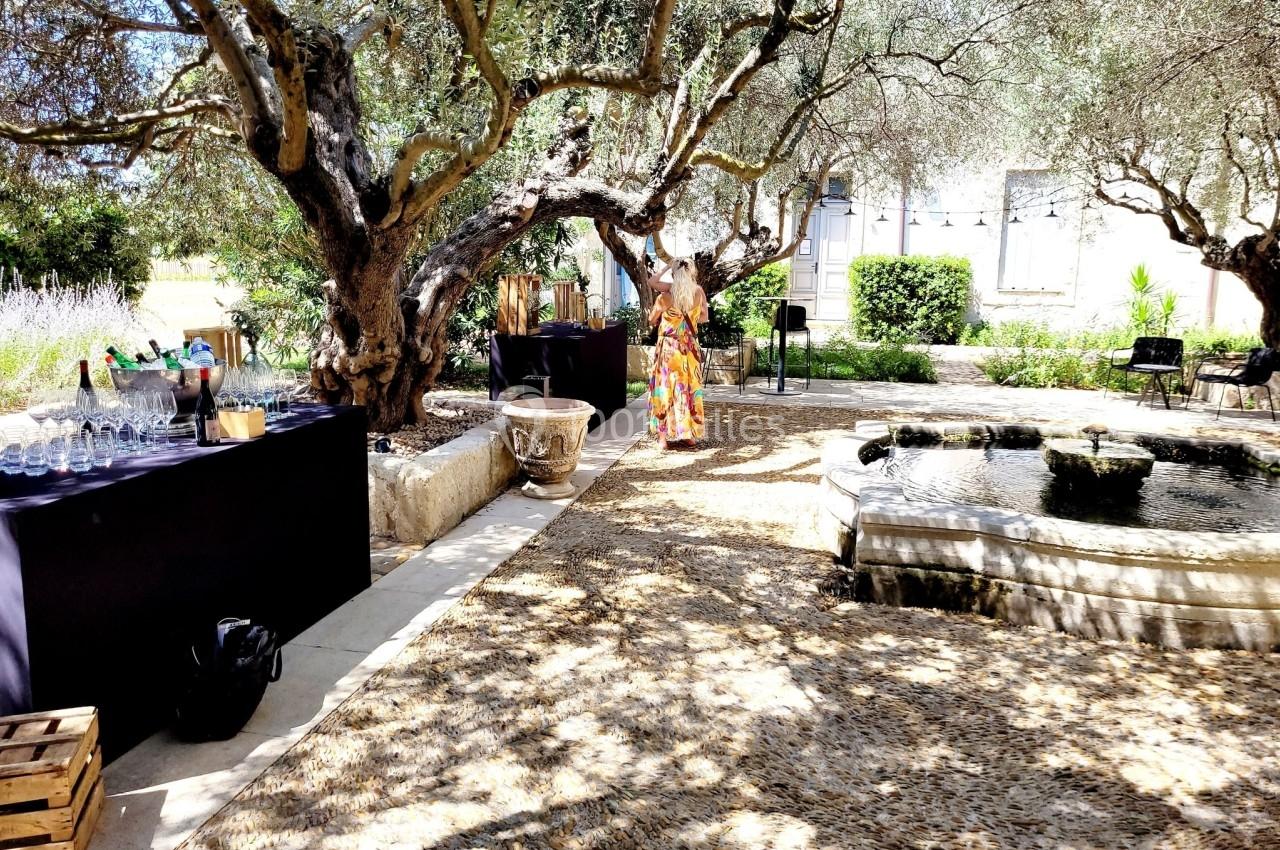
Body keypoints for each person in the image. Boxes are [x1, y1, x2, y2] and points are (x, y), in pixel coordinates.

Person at [646, 257, 709, 449]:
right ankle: (688, 435)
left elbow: (651, 319)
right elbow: (704, 318)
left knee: (665, 390)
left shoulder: (664, 297)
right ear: (691, 273)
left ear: (674, 273)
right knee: (689, 389)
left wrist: (667, 265)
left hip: (669, 350)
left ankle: (663, 439)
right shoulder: (698, 292)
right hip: (689, 349)